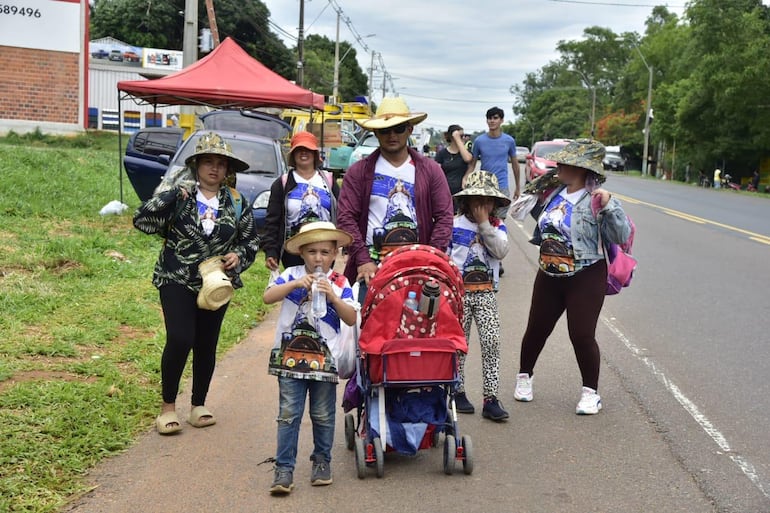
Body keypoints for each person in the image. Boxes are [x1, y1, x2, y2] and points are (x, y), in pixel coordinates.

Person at [133, 132, 260, 435]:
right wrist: (173, 194)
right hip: (176, 277)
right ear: (196, 165)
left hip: (216, 282)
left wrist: (238, 256)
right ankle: (167, 407)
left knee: (206, 343)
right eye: (207, 162)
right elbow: (142, 220)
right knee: (180, 338)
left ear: (228, 169)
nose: (214, 169)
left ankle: (198, 404)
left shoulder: (237, 202)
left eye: (220, 163)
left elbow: (251, 241)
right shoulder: (181, 195)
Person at [514, 139, 631, 415]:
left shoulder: (597, 199)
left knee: (581, 334)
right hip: (550, 273)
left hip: (586, 274)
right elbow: (537, 224)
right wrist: (532, 195)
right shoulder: (552, 193)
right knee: (536, 329)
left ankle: (591, 393)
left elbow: (622, 236)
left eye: (564, 163)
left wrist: (610, 206)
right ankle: (524, 377)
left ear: (579, 168)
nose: (558, 167)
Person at [263, 221, 357, 495]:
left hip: (326, 362)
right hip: (289, 359)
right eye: (312, 251)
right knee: (289, 414)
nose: (319, 258)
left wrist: (333, 299)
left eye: (326, 252)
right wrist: (295, 283)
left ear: (336, 254)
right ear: (301, 252)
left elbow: (351, 317)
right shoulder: (292, 274)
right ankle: (283, 468)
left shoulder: (340, 282)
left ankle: (322, 461)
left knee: (323, 415)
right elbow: (268, 297)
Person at [337, 96, 455, 287]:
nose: (392, 135)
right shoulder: (358, 172)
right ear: (376, 132)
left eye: (398, 128)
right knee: (366, 317)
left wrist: (429, 258)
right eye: (385, 130)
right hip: (371, 270)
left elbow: (444, 216)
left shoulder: (431, 170)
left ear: (410, 129)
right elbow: (346, 217)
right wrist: (362, 259)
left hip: (417, 269)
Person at [447, 170, 511, 421]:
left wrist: (485, 224)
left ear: (494, 204)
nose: (481, 206)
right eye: (476, 200)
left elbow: (501, 251)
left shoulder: (497, 227)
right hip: (459, 295)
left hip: (486, 294)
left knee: (492, 342)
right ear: (466, 202)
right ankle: (457, 390)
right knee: (458, 344)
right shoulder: (454, 224)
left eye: (487, 201)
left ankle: (491, 397)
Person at [262, 131, 340, 271]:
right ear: (293, 154)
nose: (304, 153)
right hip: (293, 251)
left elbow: (341, 213)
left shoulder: (328, 181)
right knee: (296, 288)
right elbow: (272, 220)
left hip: (324, 248)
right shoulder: (282, 183)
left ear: (315, 154)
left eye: (308, 149)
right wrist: (271, 251)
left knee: (321, 286)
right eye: (299, 150)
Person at [463, 106, 521, 215]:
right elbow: (472, 165)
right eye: (489, 118)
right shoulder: (479, 141)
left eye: (495, 118)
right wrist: (466, 178)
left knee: (499, 220)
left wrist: (517, 187)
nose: (492, 121)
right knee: (483, 219)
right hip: (484, 186)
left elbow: (515, 165)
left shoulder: (509, 141)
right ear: (487, 120)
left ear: (501, 120)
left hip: (502, 186)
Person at [435, 124, 473, 206]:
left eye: (464, 135)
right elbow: (436, 173)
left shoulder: (465, 153)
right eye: (461, 136)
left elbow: (468, 159)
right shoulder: (442, 154)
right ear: (452, 137)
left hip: (461, 192)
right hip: (445, 192)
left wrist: (458, 140)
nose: (464, 138)